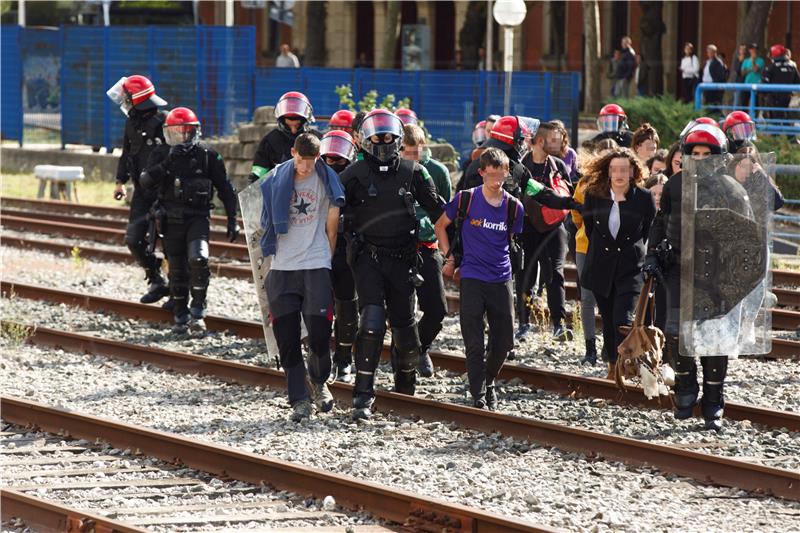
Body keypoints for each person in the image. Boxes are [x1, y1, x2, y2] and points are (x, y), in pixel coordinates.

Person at [643, 123, 757, 431]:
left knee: (713, 341)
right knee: (676, 332)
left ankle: (713, 403)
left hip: (716, 277)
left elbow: (748, 236)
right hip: (679, 270)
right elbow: (660, 221)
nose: (701, 157)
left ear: (718, 156)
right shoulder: (675, 185)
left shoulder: (733, 189)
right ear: (686, 153)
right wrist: (652, 254)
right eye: (695, 153)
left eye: (707, 153)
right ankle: (685, 386)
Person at [339, 109, 444, 419]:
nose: (383, 141)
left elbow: (440, 211)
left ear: (398, 139)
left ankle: (404, 392)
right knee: (371, 322)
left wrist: (463, 237)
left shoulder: (415, 173)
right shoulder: (354, 174)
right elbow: (329, 210)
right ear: (364, 139)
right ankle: (362, 395)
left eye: (388, 136)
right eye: (377, 136)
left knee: (407, 335)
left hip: (404, 260)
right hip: (367, 258)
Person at [258, 133, 345, 421]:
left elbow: (332, 225)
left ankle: (320, 383)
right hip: (282, 267)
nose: (305, 168)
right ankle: (299, 399)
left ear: (318, 157)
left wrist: (325, 257)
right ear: (292, 152)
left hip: (315, 263)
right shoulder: (274, 179)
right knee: (287, 338)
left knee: (320, 334)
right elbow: (263, 220)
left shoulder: (327, 179)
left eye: (311, 161)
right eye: (301, 160)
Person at [434, 148, 524, 409]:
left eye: (501, 175)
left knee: (505, 340)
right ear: (482, 173)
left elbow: (515, 238)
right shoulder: (466, 199)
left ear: (507, 173)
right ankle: (479, 395)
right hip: (472, 276)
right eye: (491, 175)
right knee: (474, 341)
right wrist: (449, 257)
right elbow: (441, 225)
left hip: (501, 276)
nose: (496, 181)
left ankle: (489, 379)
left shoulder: (513, 207)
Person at [139, 107, 238, 332]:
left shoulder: (207, 155)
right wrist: (166, 164)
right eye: (176, 133)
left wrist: (232, 218)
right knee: (177, 269)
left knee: (199, 259)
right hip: (170, 219)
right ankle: (181, 315)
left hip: (198, 217)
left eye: (187, 132)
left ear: (196, 132)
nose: (182, 137)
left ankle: (198, 309)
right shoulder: (162, 153)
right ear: (168, 133)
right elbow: (145, 181)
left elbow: (225, 187)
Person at [581, 148, 656, 379]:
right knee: (607, 317)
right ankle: (613, 366)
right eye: (615, 169)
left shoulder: (643, 197)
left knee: (622, 320)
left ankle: (627, 364)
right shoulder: (594, 195)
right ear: (608, 171)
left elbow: (648, 230)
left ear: (633, 171)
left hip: (630, 268)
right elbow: (591, 227)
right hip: (601, 267)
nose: (620, 174)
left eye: (625, 169)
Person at [107, 75, 170, 305]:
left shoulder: (164, 121)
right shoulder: (131, 122)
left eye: (126, 97)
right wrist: (119, 181)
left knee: (171, 242)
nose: (124, 101)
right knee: (134, 239)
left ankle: (177, 292)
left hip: (165, 192)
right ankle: (155, 276)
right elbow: (126, 153)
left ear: (137, 99)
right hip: (141, 192)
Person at [400, 123, 452, 377]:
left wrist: (449, 251)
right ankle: (406, 355)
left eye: (415, 152)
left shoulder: (437, 171)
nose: (411, 158)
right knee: (403, 310)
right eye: (406, 153)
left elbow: (445, 212)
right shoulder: (394, 171)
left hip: (428, 245)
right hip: (399, 247)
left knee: (437, 309)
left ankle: (420, 348)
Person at [520, 121, 578, 341]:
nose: (559, 143)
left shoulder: (559, 165)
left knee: (555, 274)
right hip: (526, 226)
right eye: (553, 139)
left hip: (554, 228)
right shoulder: (520, 167)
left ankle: (559, 325)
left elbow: (567, 195)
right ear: (540, 141)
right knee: (525, 274)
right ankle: (524, 324)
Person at [320, 130, 359, 383]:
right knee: (316, 307)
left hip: (346, 251)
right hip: (315, 250)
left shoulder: (359, 179)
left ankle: (344, 359)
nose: (333, 164)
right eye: (329, 159)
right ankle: (319, 358)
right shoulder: (309, 177)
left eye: (339, 159)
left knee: (347, 306)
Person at [249, 92, 315, 183]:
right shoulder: (271, 141)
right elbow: (258, 172)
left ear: (305, 121)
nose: (293, 131)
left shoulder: (315, 140)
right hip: (277, 192)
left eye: (297, 126)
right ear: (282, 122)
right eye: (288, 126)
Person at [571, 173, 600, 365]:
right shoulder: (584, 182)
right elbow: (576, 210)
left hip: (591, 244)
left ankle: (600, 349)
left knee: (589, 299)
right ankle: (591, 348)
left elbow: (576, 213)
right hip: (585, 245)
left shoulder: (586, 182)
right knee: (587, 297)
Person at [643, 172, 669, 333]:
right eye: (654, 193)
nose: (658, 197)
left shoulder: (671, 218)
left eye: (661, 194)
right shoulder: (641, 216)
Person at [763, 44, 800, 122]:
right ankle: (788, 132)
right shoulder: (792, 66)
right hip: (788, 96)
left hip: (775, 97)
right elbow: (797, 81)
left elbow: (765, 83)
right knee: (785, 114)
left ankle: (776, 132)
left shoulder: (772, 67)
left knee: (776, 116)